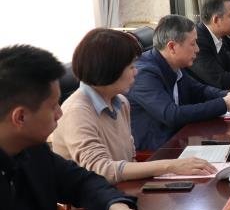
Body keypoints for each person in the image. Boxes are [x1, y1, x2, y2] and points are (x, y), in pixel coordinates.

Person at [0, 44, 161, 210]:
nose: (60, 113)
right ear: (20, 117)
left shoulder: (33, 149)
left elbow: (81, 181)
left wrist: (116, 206)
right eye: (53, 106)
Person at [52, 28, 217, 182]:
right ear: (109, 69)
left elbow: (130, 158)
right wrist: (170, 166)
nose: (136, 72)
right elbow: (101, 170)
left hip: (122, 190)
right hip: (92, 200)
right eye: (131, 67)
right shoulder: (76, 112)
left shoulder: (121, 102)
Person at [128, 14, 230, 151]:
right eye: (193, 44)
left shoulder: (173, 64)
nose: (197, 49)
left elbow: (199, 90)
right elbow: (172, 115)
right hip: (156, 153)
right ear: (172, 47)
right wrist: (225, 104)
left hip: (181, 139)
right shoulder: (144, 73)